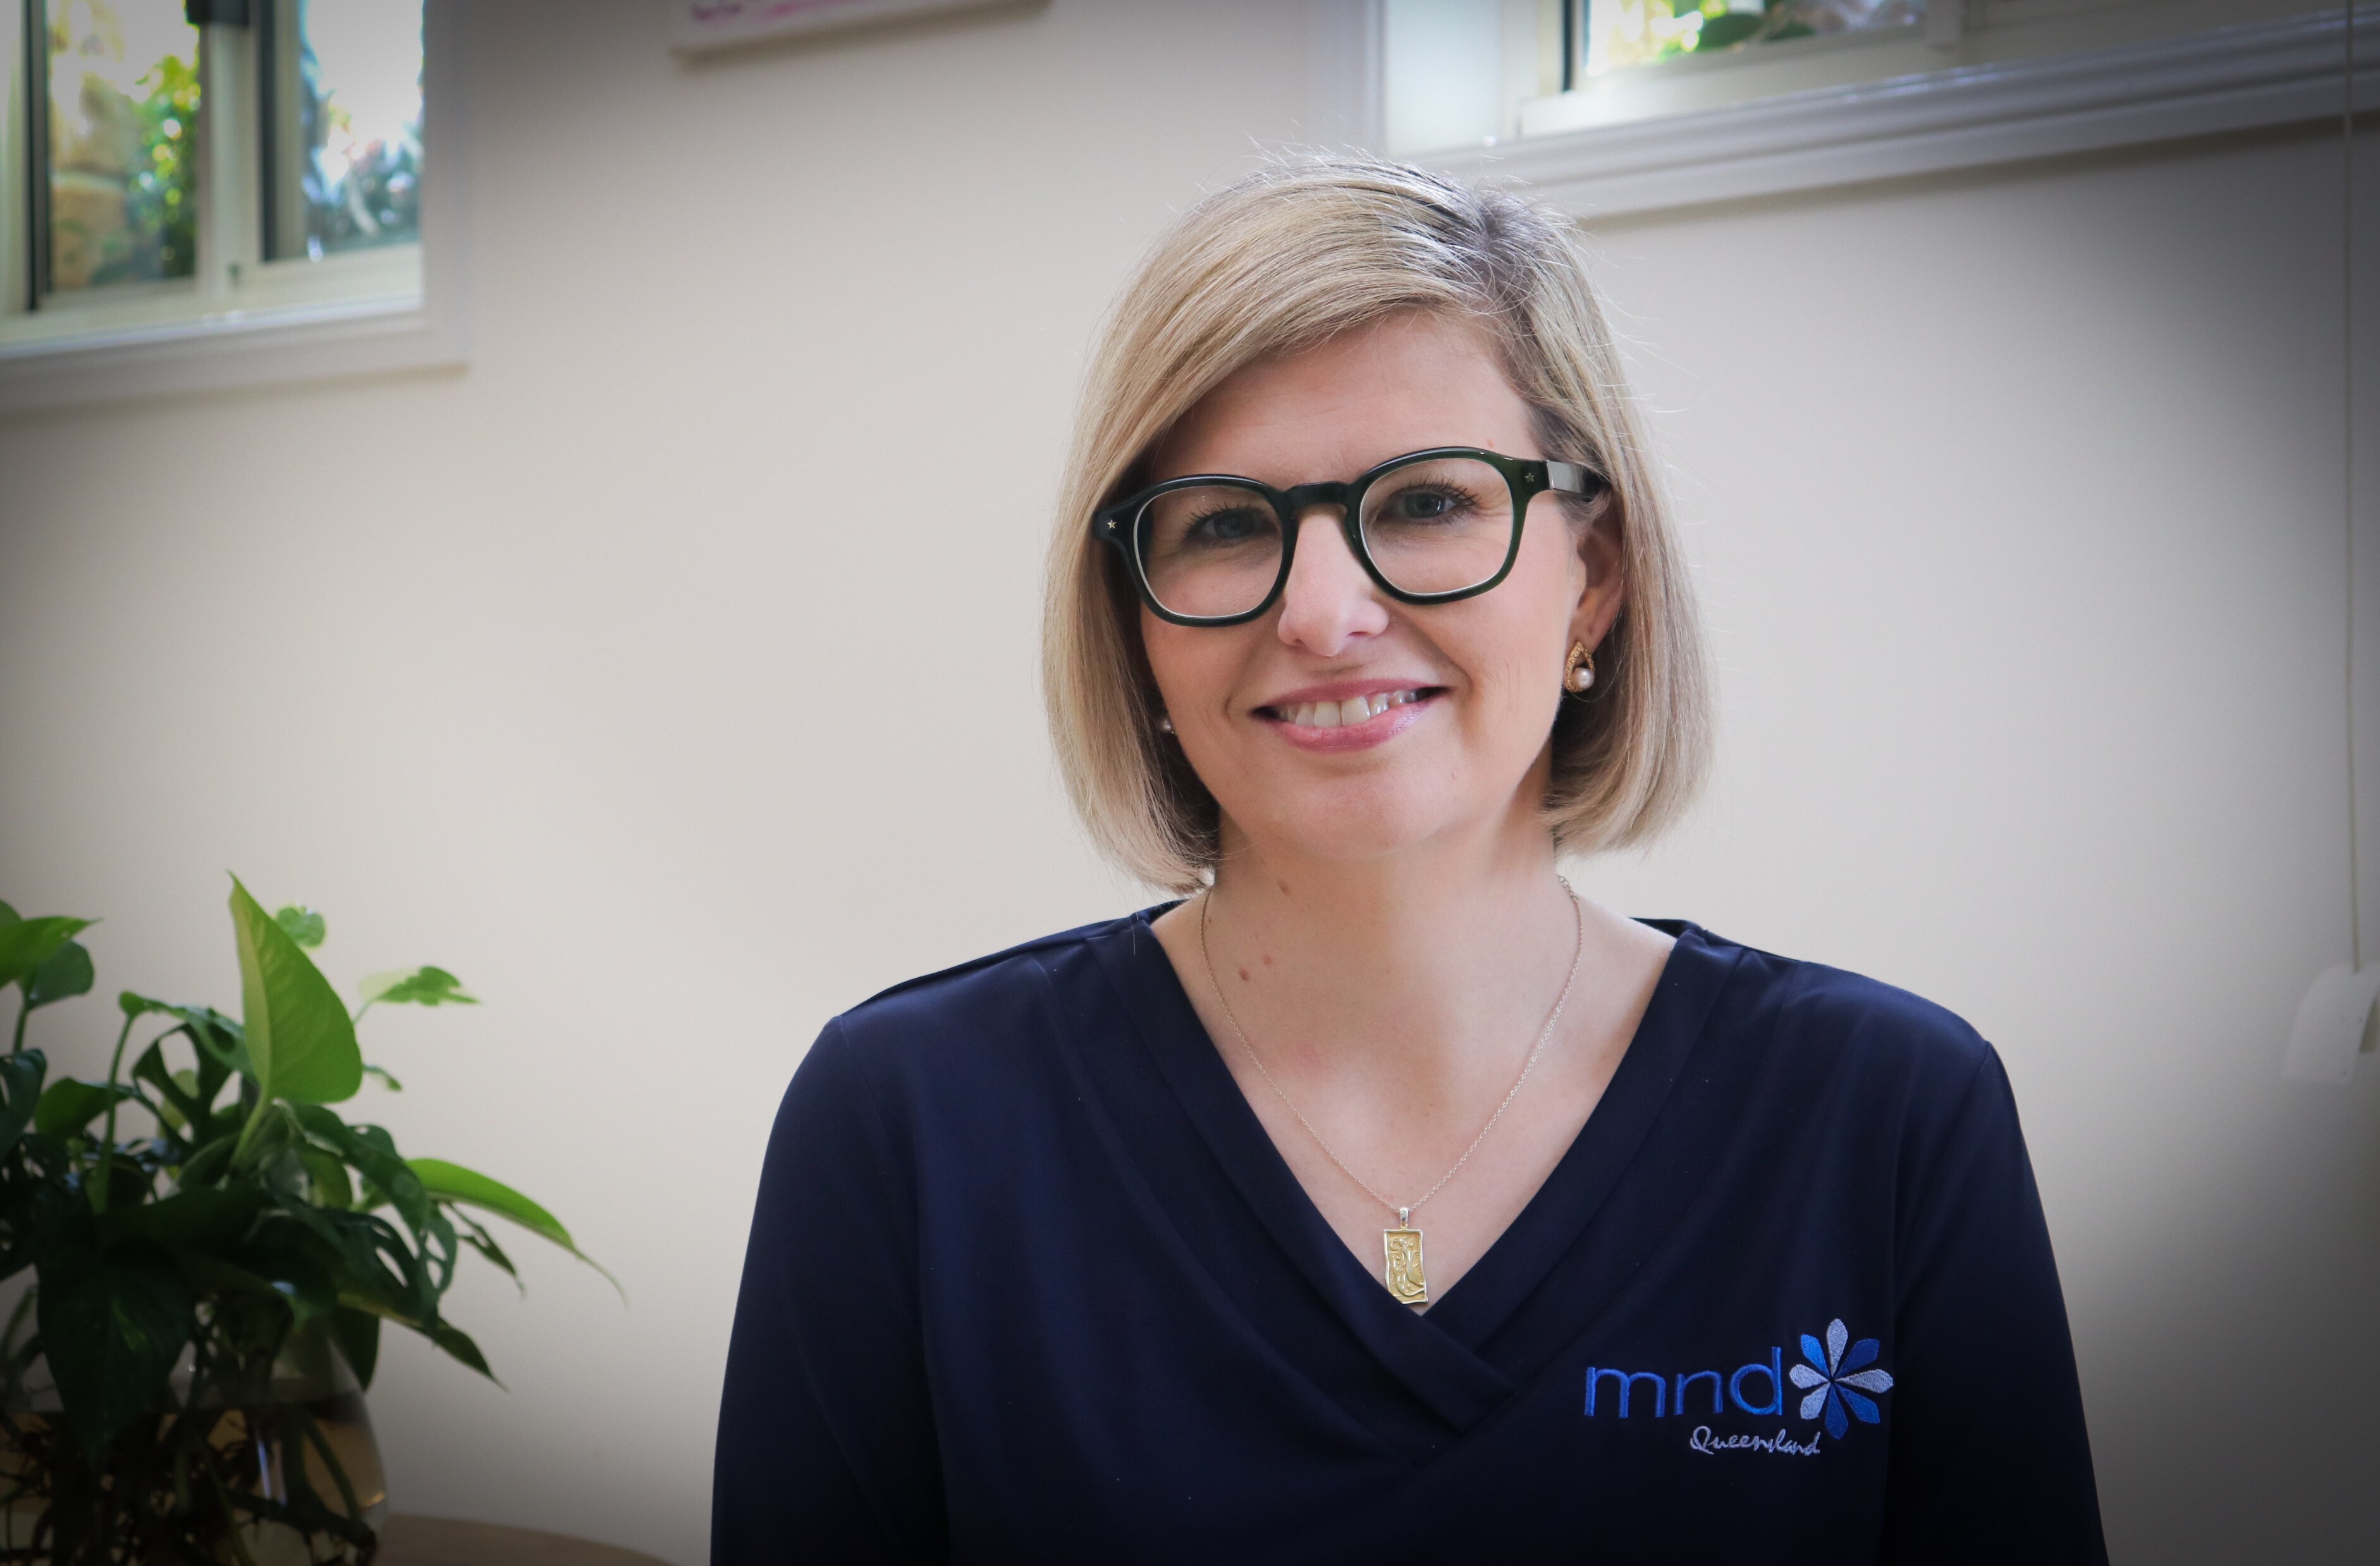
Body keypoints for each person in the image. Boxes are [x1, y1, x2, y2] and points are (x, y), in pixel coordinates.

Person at [712, 155, 2105, 1564]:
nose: (1322, 613)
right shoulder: (908, 1120)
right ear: (1134, 618)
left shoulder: (1884, 1117)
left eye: (1429, 502)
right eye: (1223, 524)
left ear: (1596, 578)